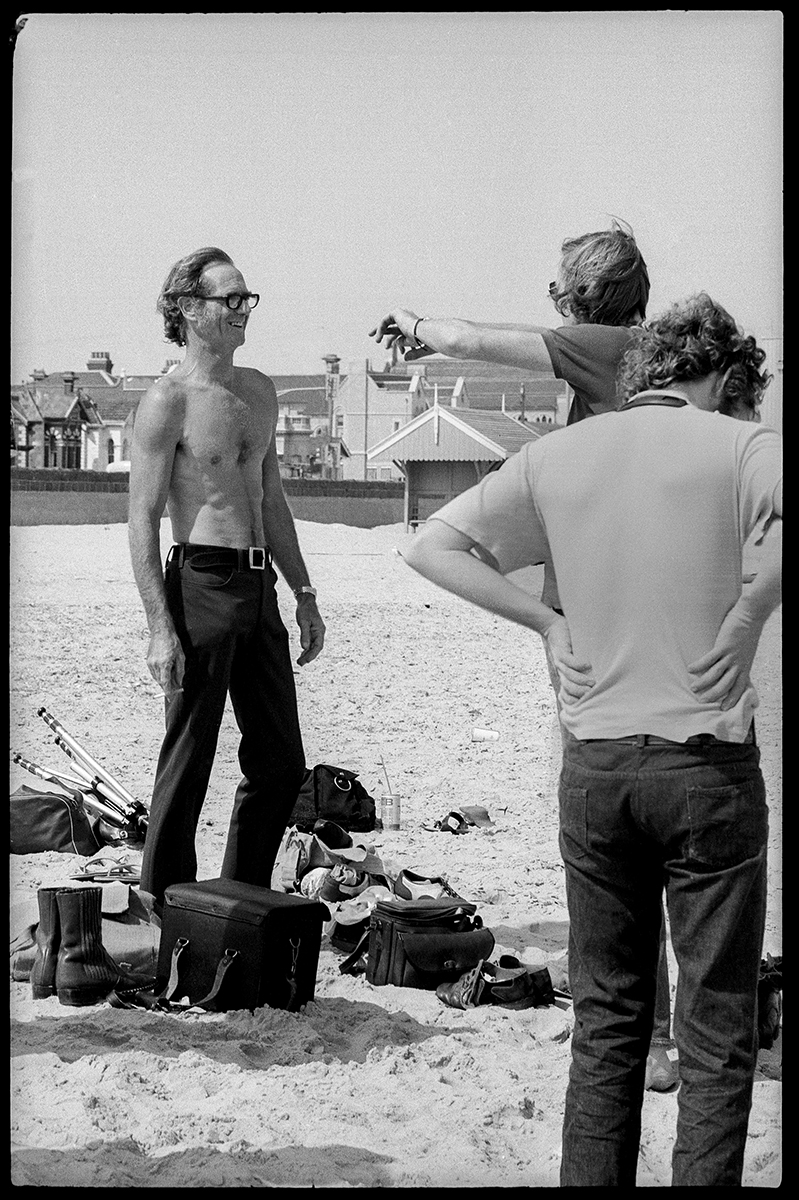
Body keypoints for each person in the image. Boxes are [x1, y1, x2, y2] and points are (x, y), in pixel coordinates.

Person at [397, 293, 781, 1187]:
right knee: (716, 1029)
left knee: (607, 1026)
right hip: (705, 764)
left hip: (596, 763)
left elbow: (428, 547)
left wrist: (546, 622)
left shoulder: (556, 454)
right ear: (721, 375)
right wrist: (748, 616)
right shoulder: (740, 447)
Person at [370, 218, 680, 1089]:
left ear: (581, 297)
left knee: (602, 839)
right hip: (662, 619)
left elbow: (476, 339)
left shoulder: (603, 348)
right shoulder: (663, 368)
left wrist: (414, 325)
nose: (550, 301)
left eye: (556, 287)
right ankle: (652, 1029)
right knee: (654, 833)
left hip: (592, 623)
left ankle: (635, 1037)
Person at [128, 246, 325, 918]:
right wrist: (159, 628)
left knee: (280, 763)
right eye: (230, 298)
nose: (244, 309)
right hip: (201, 583)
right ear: (187, 308)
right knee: (188, 759)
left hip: (259, 586)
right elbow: (141, 520)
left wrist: (303, 592)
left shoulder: (258, 391)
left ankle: (238, 901)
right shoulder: (167, 401)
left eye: (248, 298)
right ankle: (163, 907)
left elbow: (273, 500)